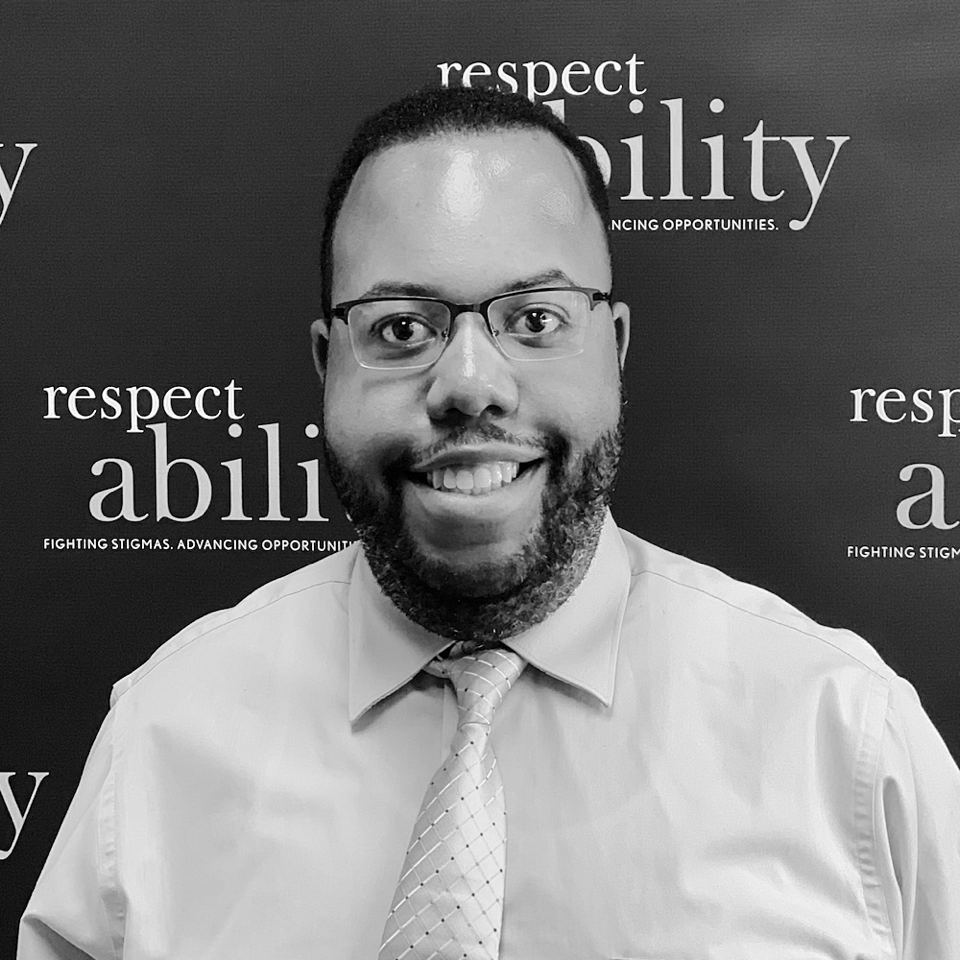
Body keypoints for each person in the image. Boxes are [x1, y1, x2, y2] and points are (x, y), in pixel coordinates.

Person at [19, 85, 960, 960]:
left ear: (616, 349)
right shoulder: (163, 734)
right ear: (325, 366)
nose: (470, 384)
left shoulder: (847, 740)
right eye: (400, 328)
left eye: (536, 319)